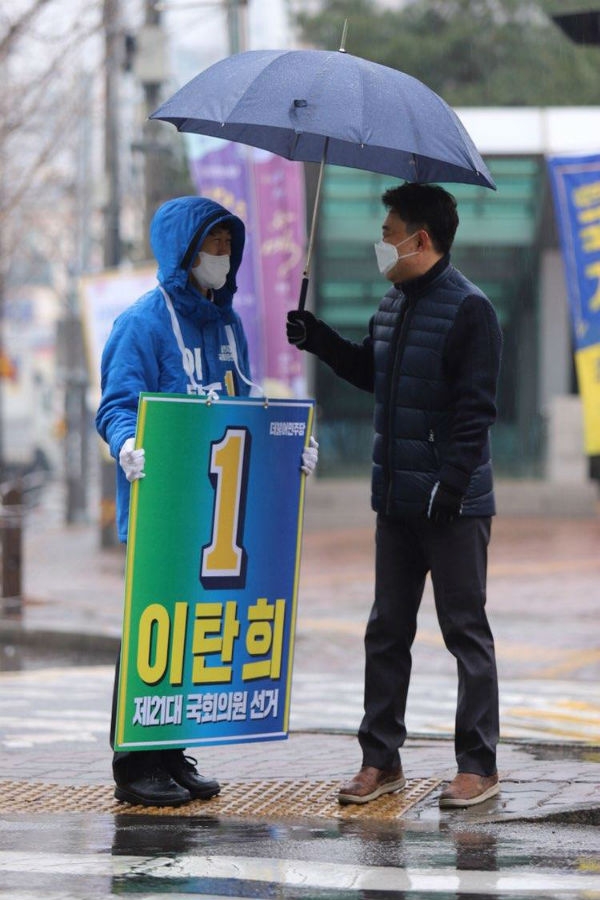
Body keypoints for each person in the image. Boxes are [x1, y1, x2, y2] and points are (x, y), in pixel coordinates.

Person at [97, 195, 318, 807]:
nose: (223, 257)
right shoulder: (141, 323)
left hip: (222, 509)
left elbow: (244, 404)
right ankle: (134, 761)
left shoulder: (228, 326)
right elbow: (116, 405)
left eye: (228, 246)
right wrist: (126, 444)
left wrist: (289, 447)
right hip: (163, 507)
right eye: (213, 245)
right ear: (184, 250)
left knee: (194, 630)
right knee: (152, 627)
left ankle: (171, 751)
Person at [286, 183, 502, 809]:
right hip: (396, 501)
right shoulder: (393, 304)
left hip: (452, 506)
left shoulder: (471, 310)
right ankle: (380, 758)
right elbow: (371, 372)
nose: (381, 243)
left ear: (421, 240)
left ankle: (478, 764)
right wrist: (319, 339)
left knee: (465, 630)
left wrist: (452, 485)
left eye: (388, 233)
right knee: (386, 630)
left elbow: (476, 409)